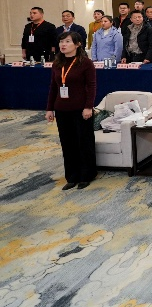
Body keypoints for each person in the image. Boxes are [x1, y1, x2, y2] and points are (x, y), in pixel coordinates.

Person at [45, 32, 97, 190]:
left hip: (81, 109)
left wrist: (88, 106)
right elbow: (53, 87)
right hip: (62, 109)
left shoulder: (85, 63)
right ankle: (72, 176)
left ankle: (86, 175)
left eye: (67, 41)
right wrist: (49, 108)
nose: (63, 44)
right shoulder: (57, 63)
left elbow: (91, 86)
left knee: (84, 142)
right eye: (61, 41)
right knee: (67, 143)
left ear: (77, 44)